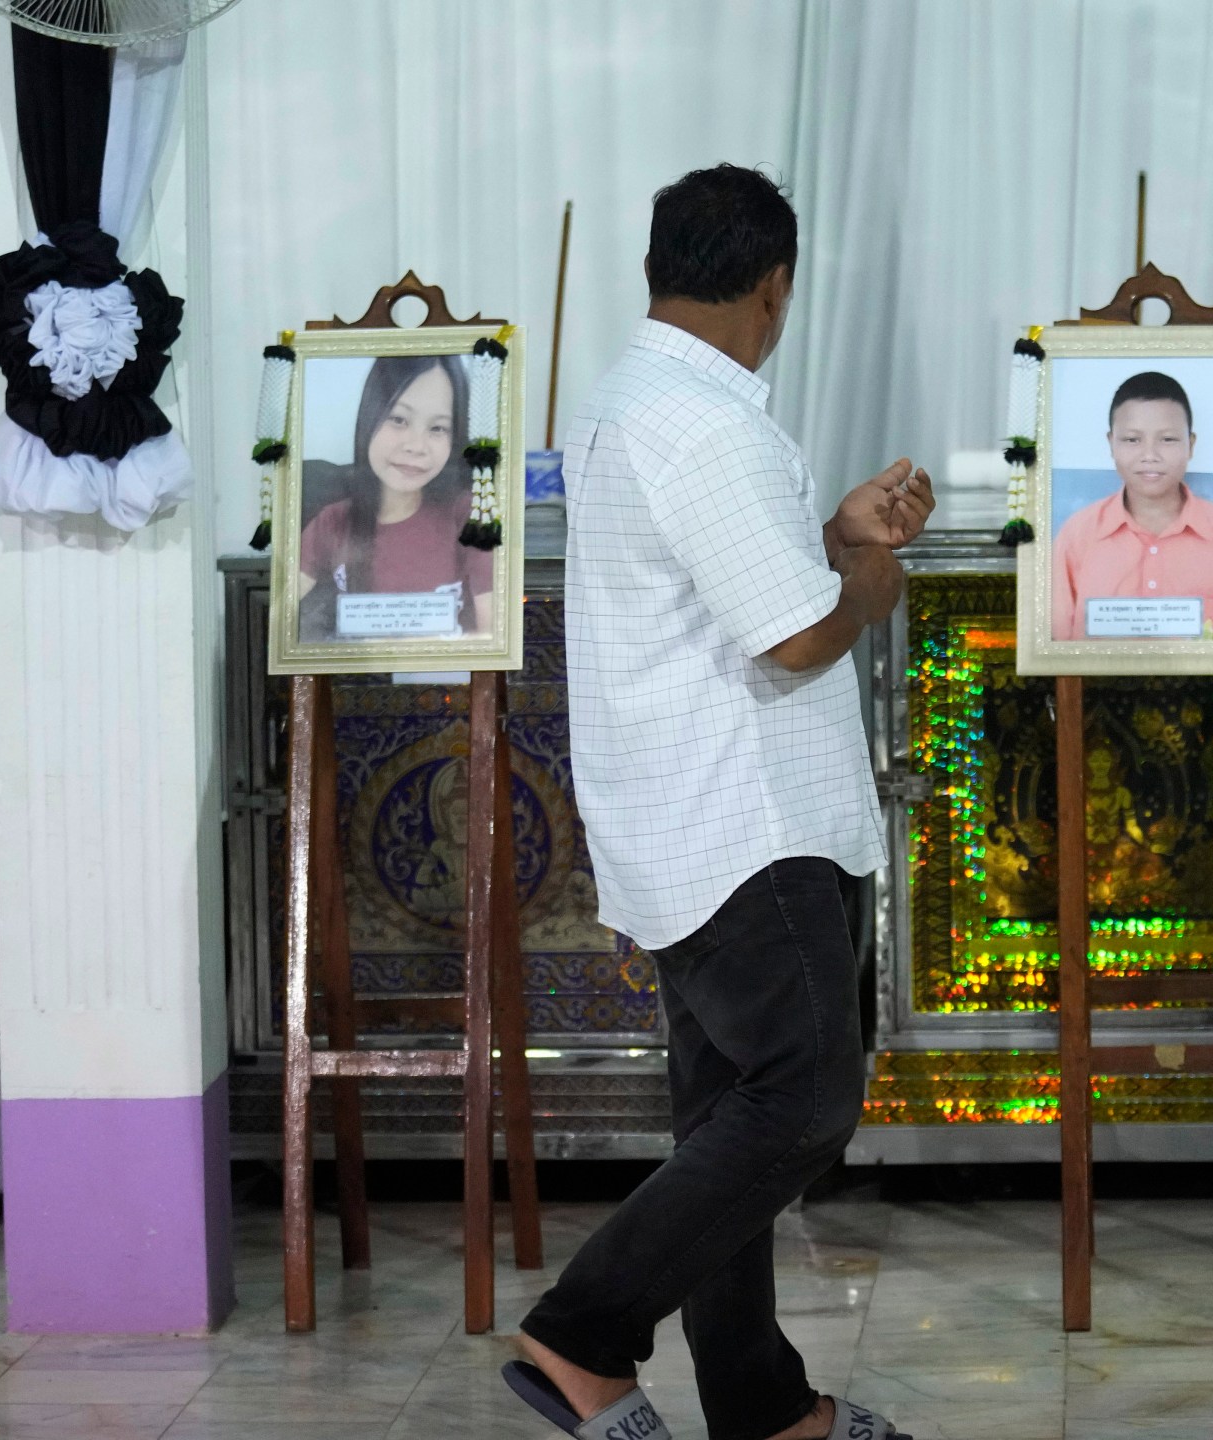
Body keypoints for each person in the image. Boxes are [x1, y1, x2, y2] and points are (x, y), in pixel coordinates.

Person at [501, 164, 931, 1440]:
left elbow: (727, 589)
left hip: (679, 818)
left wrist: (838, 531)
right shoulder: (705, 423)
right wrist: (866, 580)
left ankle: (762, 1407)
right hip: (752, 823)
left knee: (724, 1122)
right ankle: (580, 1335)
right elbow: (795, 639)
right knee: (802, 1100)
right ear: (773, 286)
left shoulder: (641, 400)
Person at [294, 354, 494, 640]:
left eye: (437, 428)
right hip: (356, 682)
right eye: (399, 419)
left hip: (448, 682)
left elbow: (493, 638)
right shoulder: (333, 521)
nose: (416, 446)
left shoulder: (470, 516)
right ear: (370, 417)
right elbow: (279, 617)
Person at [1050, 369, 1213, 640]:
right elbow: (1058, 646)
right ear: (1111, 444)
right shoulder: (1077, 535)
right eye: (1132, 440)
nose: (1150, 455)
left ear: (1190, 445)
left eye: (1167, 439)